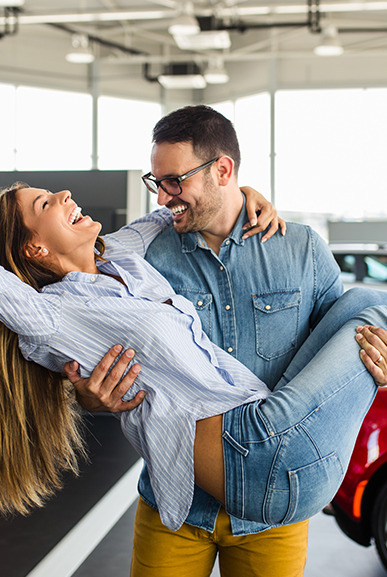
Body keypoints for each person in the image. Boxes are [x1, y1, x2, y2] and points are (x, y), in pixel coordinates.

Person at [0, 175, 387, 537]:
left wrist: (239, 192)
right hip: (251, 454)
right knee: (374, 310)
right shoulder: (47, 314)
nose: (64, 194)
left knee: (365, 303)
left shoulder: (121, 258)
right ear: (34, 250)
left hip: (267, 422)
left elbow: (173, 209)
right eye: (45, 204)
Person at [66, 104, 387, 577]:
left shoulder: (302, 250)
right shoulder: (142, 259)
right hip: (174, 501)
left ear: (223, 169)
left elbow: (338, 356)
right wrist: (88, 397)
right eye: (156, 182)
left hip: (270, 514)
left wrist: (378, 364)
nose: (163, 197)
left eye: (174, 181)